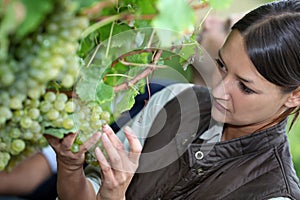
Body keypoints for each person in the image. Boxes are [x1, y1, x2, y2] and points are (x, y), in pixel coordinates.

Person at [45, 0, 300, 199]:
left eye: (245, 87)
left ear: (295, 95)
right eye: (221, 65)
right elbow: (87, 191)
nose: (219, 90)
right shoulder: (174, 99)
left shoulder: (273, 194)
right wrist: (70, 167)